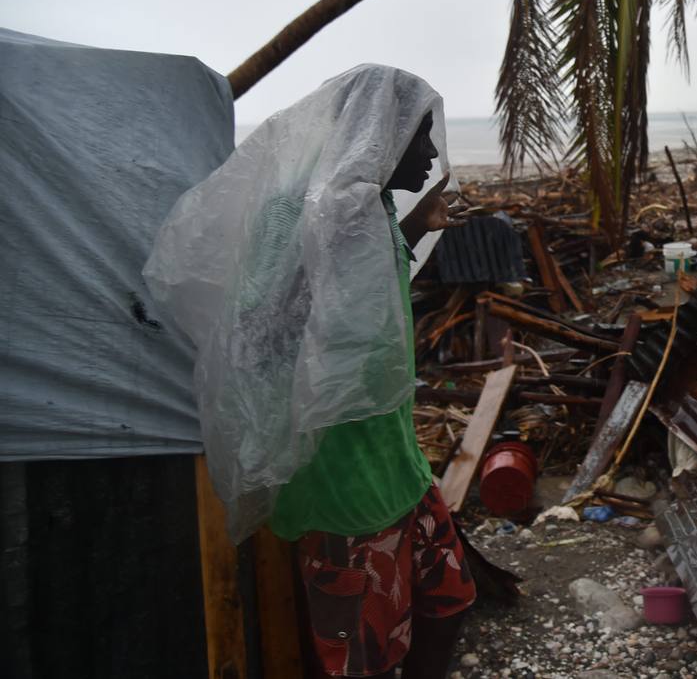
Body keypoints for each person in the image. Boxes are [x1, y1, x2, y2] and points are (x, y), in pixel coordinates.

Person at [144, 66, 474, 679]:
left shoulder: (364, 209)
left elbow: (361, 298)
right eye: (420, 137)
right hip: (343, 481)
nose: (431, 154)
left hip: (395, 460)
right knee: (362, 655)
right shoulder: (303, 209)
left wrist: (413, 222)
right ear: (380, 135)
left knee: (450, 599)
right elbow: (261, 330)